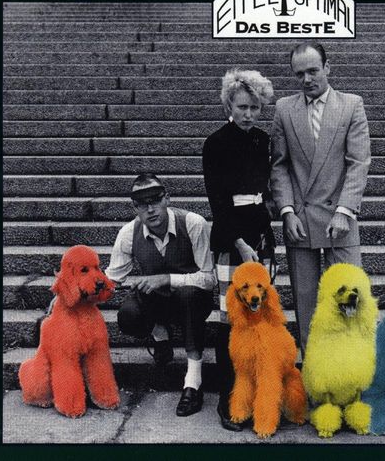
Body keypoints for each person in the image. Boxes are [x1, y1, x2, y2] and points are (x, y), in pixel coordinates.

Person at [270, 42, 371, 353]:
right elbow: (279, 165)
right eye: (299, 74)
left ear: (327, 67)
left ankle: (351, 370)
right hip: (300, 220)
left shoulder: (351, 105)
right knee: (306, 304)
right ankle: (314, 370)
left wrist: (344, 210)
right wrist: (287, 211)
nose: (306, 79)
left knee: (349, 299)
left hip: (341, 216)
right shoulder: (284, 109)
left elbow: (358, 162)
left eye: (313, 71)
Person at [106, 173, 215, 417]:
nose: (150, 209)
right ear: (135, 208)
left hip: (193, 301)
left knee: (188, 294)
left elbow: (209, 279)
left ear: (167, 198)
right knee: (128, 315)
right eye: (142, 204)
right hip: (157, 303)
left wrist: (166, 278)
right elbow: (110, 279)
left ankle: (193, 381)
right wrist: (69, 294)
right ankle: (160, 334)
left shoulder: (193, 223)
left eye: (155, 200)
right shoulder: (128, 233)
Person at [202, 68, 275, 431]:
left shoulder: (263, 140)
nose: (248, 114)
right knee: (231, 319)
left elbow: (266, 191)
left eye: (255, 108)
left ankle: (259, 392)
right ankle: (229, 398)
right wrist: (241, 244)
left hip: (261, 234)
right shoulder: (215, 143)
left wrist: (263, 237)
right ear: (229, 105)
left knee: (260, 317)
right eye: (242, 107)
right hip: (231, 237)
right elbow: (218, 201)